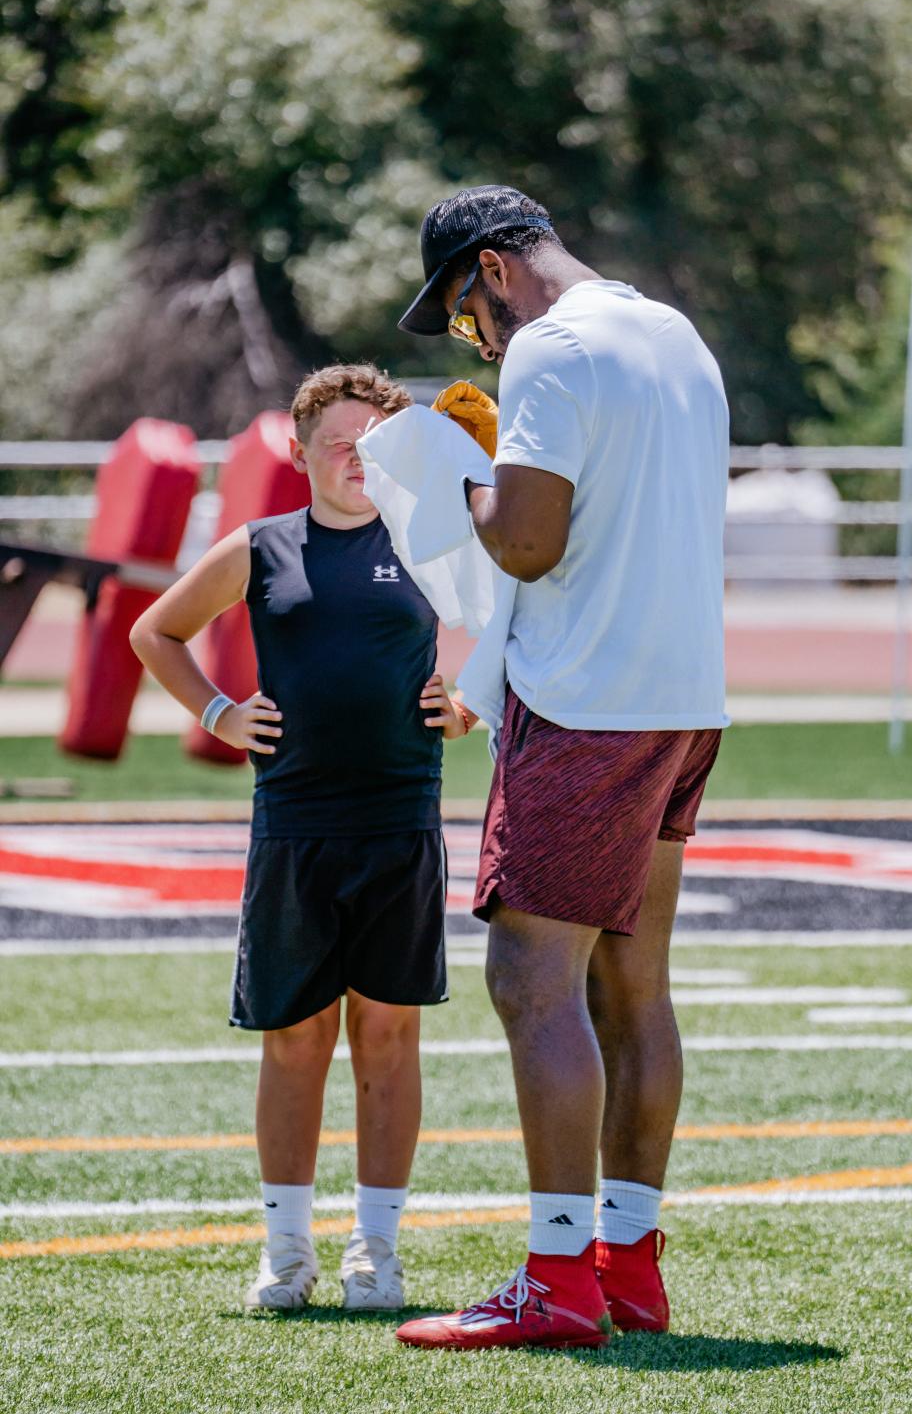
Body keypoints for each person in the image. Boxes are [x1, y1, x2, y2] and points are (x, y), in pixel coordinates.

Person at [392, 186, 729, 1350]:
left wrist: (460, 471)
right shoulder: (674, 332)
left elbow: (528, 540)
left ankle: (555, 1279)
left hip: (589, 701)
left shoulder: (552, 346)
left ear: (491, 268)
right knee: (634, 988)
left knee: (533, 983)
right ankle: (627, 1266)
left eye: (463, 313)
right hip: (687, 698)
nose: (477, 340)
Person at [130, 363, 472, 1313]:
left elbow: (515, 625)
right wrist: (218, 713)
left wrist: (467, 701)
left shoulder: (432, 541)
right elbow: (156, 633)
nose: (357, 459)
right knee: (292, 1042)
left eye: (373, 444)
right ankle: (286, 1253)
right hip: (295, 828)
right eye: (338, 444)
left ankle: (377, 1252)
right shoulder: (260, 545)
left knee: (388, 1038)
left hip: (401, 821)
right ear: (300, 451)